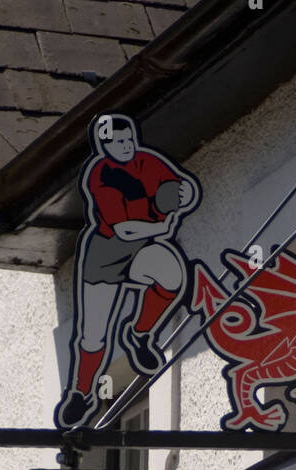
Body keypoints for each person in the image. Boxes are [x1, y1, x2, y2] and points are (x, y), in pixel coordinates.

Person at [55, 113, 201, 430]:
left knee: (173, 276)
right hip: (105, 254)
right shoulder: (100, 174)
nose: (125, 146)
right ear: (104, 145)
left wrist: (184, 194)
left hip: (141, 248)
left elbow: (180, 186)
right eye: (117, 142)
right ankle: (81, 393)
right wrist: (161, 225)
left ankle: (138, 333)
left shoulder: (148, 160)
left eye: (128, 139)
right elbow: (124, 230)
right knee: (93, 335)